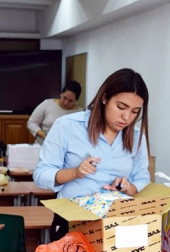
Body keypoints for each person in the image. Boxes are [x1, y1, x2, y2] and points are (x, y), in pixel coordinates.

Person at [33, 68, 151, 240]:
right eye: (121, 107)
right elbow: (40, 175)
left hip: (117, 225)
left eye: (135, 112)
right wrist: (74, 172)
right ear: (104, 98)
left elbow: (142, 178)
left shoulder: (136, 136)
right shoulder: (67, 126)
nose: (126, 117)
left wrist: (128, 187)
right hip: (72, 222)